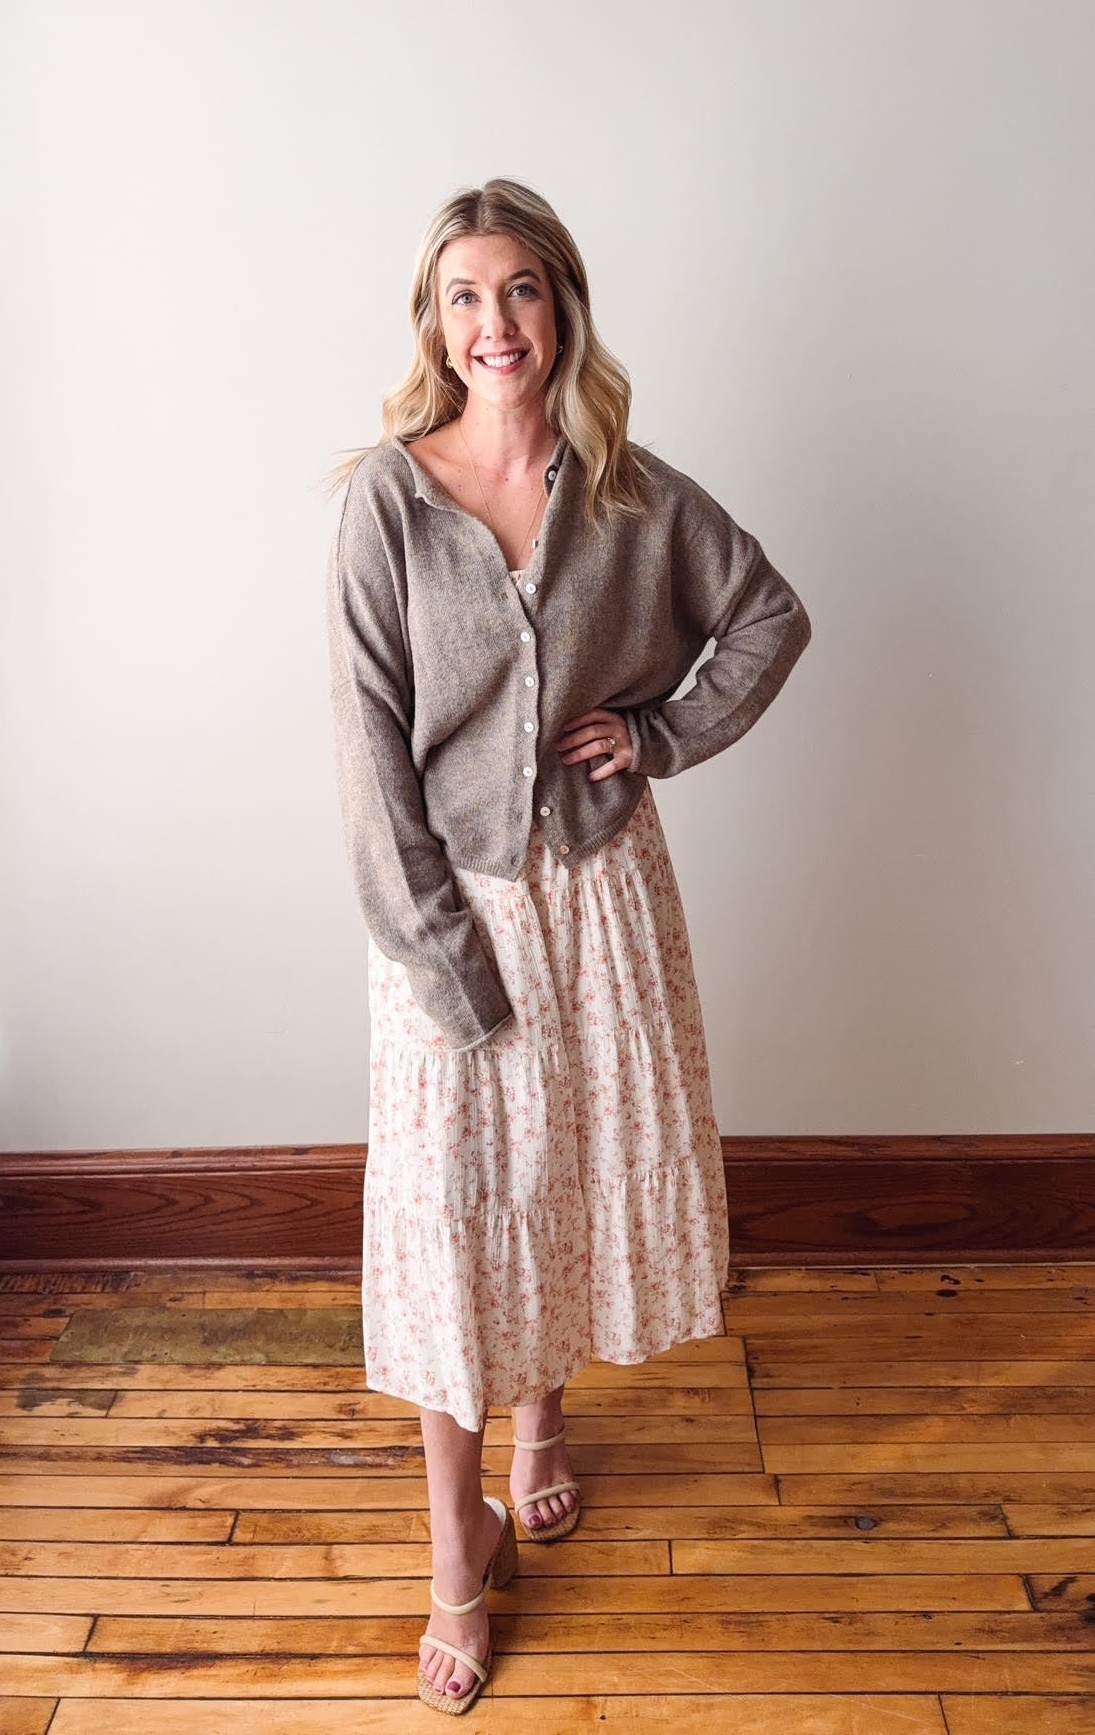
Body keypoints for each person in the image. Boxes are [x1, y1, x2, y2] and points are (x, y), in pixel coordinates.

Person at [325, 176, 811, 1714]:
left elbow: (767, 620)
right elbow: (367, 763)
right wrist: (446, 961)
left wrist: (658, 735)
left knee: (557, 1178)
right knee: (455, 1226)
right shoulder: (384, 505)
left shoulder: (632, 492)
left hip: (599, 897)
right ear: (434, 321)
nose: (495, 325)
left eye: (521, 291)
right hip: (455, 918)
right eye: (466, 296)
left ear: (564, 307)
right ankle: (453, 1562)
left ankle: (545, 1427)